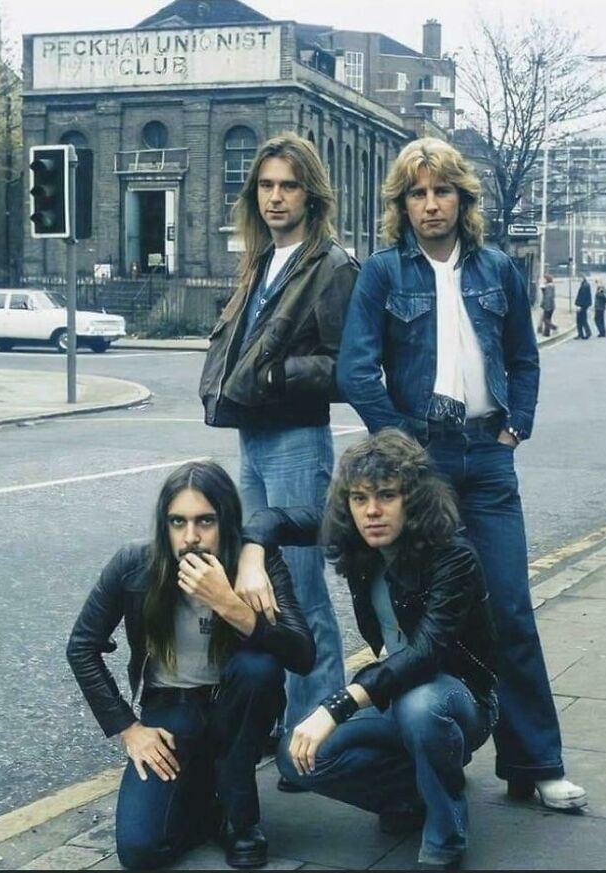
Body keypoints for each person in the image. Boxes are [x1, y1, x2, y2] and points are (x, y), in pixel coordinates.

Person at [335, 137, 587, 811]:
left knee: (509, 609)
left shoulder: (498, 268)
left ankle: (534, 762)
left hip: (489, 456)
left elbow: (524, 357)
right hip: (427, 461)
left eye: (441, 190)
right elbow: (355, 368)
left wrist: (516, 424)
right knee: (428, 617)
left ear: (462, 198)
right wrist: (404, 443)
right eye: (416, 193)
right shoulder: (384, 273)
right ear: (403, 204)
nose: (429, 204)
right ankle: (431, 755)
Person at [240, 430, 498, 870]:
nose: (372, 511)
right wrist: (251, 557)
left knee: (420, 707)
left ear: (412, 499)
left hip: (459, 699)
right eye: (359, 498)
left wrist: (337, 704)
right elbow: (273, 519)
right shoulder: (357, 535)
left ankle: (447, 833)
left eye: (386, 496)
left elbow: (426, 653)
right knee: (297, 756)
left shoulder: (453, 555)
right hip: (394, 693)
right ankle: (413, 791)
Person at [66, 461, 315, 870]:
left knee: (258, 669)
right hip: (172, 709)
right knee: (140, 851)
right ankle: (207, 801)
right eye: (177, 522)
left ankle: (240, 817)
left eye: (205, 521)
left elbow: (301, 656)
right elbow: (82, 646)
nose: (190, 537)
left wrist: (229, 603)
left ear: (226, 522)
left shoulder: (256, 566)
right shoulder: (134, 562)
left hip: (236, 705)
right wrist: (129, 729)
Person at [199, 133, 357, 758]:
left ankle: (321, 735)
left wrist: (277, 375)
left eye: (288, 185)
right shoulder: (262, 259)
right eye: (265, 185)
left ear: (310, 193)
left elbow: (347, 363)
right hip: (254, 435)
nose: (275, 196)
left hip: (296, 437)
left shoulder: (331, 265)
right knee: (262, 587)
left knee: (304, 591)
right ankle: (288, 724)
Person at [537, 272, 558, 337]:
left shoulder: (549, 287)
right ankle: (546, 333)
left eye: (544, 279)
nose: (543, 280)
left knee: (545, 319)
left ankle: (554, 327)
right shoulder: (550, 286)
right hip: (551, 306)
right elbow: (544, 291)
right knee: (548, 319)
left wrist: (546, 307)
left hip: (548, 306)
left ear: (547, 279)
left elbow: (548, 297)